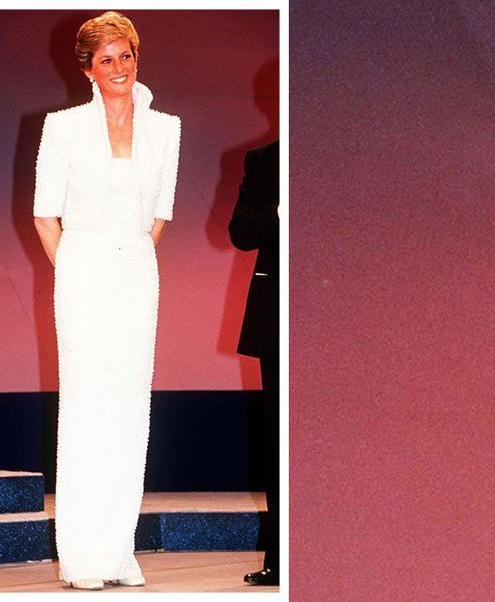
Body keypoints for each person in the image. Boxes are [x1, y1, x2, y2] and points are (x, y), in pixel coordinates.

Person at [33, 11, 181, 591]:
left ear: (137, 58)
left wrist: (133, 261)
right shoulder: (63, 127)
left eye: (127, 56)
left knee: (128, 413)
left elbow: (162, 214)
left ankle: (118, 551)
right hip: (83, 269)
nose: (119, 68)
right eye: (106, 60)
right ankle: (83, 558)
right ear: (88, 69)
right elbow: (45, 214)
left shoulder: (166, 129)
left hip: (137, 273)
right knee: (88, 410)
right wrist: (75, 266)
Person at [229, 139, 279, 586]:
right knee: (280, 442)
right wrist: (279, 213)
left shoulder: (351, 149)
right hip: (279, 320)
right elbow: (239, 232)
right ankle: (280, 559)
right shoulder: (265, 160)